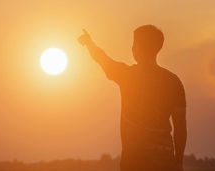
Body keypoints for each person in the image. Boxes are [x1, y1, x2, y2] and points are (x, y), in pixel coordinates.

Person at [78, 25, 187, 171]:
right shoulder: (173, 82)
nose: (132, 48)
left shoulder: (126, 76)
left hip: (134, 160)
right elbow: (180, 127)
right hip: (164, 159)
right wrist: (179, 163)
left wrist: (89, 43)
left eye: (134, 44)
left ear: (138, 48)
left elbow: (102, 59)